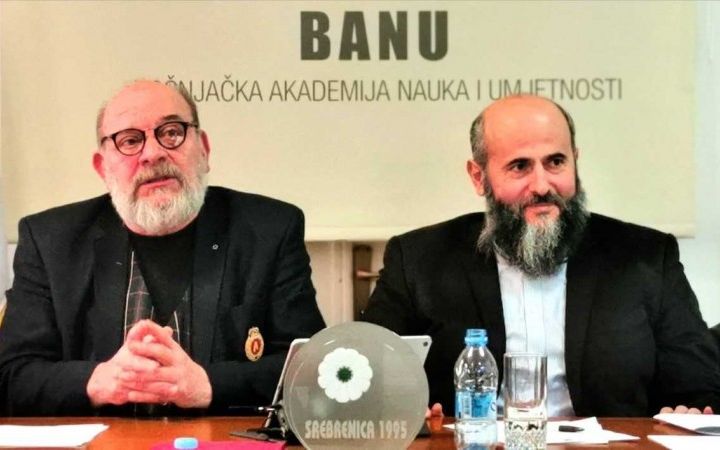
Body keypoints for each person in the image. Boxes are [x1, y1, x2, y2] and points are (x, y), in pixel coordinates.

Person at [362, 95, 720, 417]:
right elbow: (365, 375)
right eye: (520, 166)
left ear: (575, 162)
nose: (542, 185)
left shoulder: (645, 257)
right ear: (478, 176)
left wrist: (690, 410)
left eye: (556, 162)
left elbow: (700, 384)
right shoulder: (418, 260)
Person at [0, 80, 326, 416]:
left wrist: (208, 384)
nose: (153, 154)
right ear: (102, 168)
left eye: (171, 133)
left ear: (204, 150)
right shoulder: (50, 241)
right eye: (130, 141)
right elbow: (11, 377)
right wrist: (100, 381)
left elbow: (314, 371)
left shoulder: (269, 230)